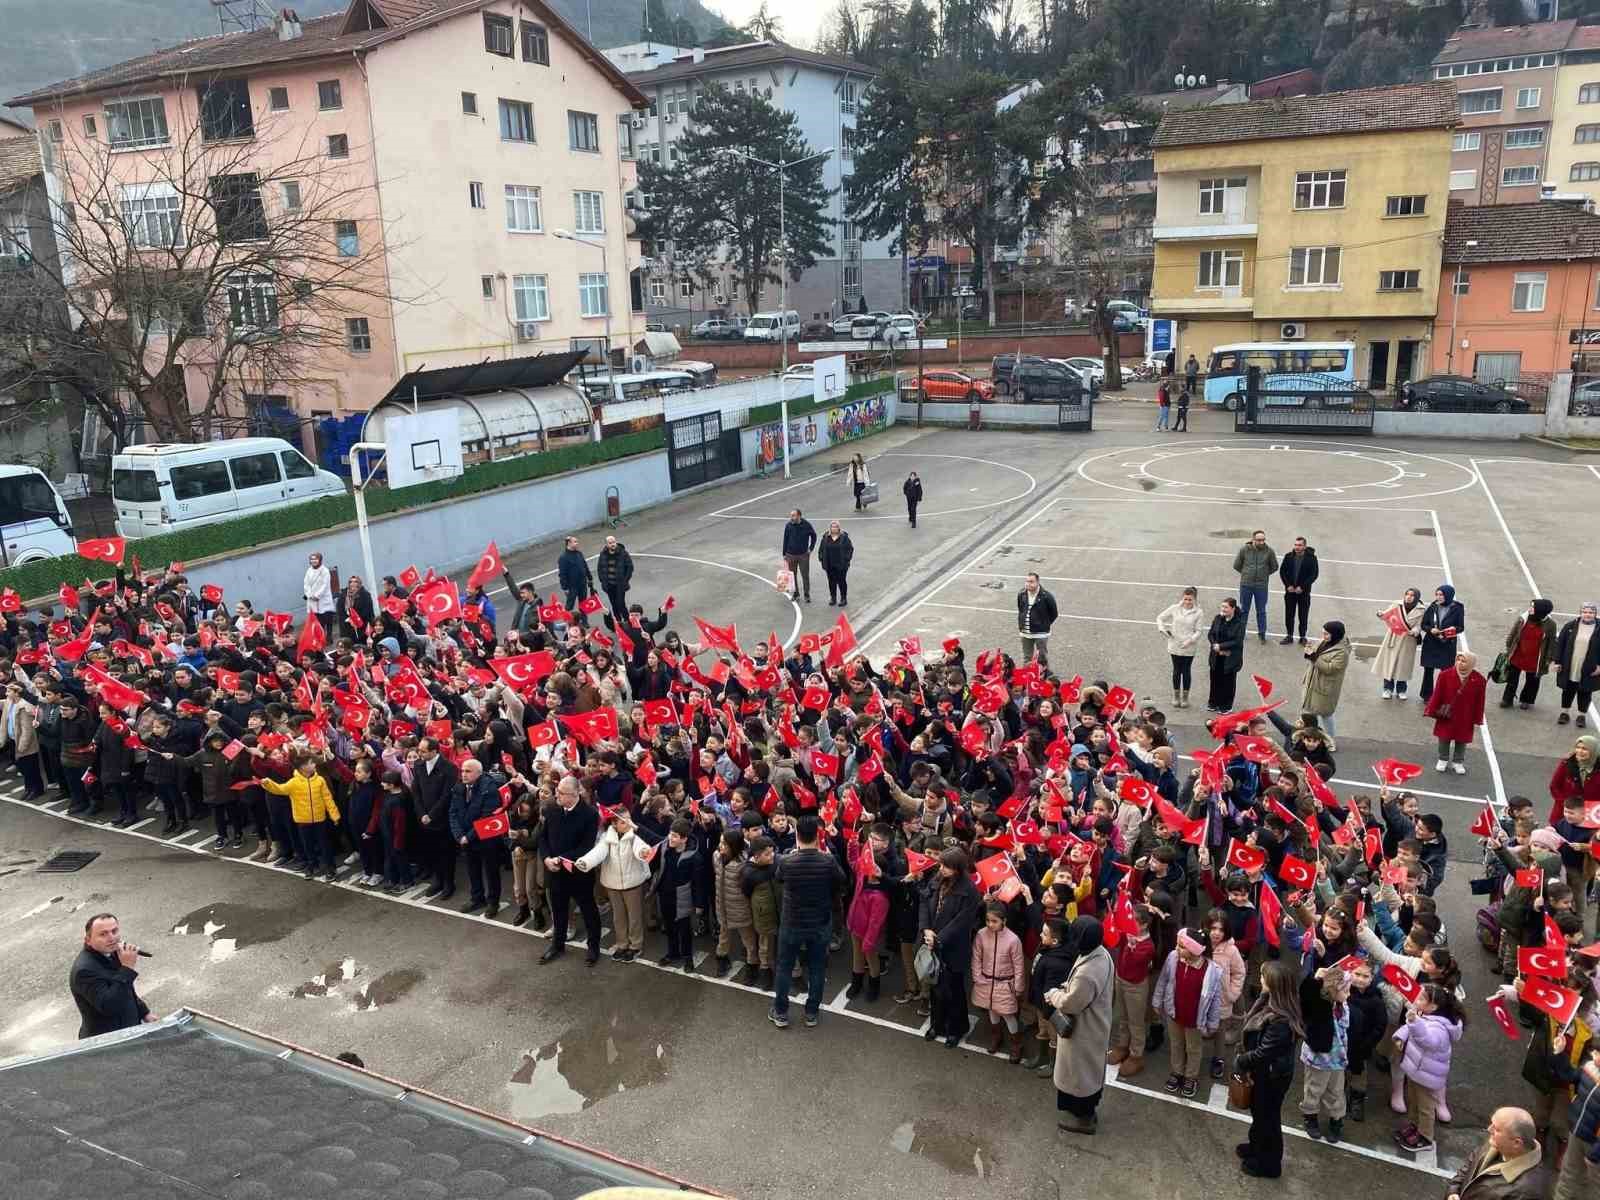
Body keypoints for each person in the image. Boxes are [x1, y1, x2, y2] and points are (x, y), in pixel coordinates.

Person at [769, 814, 847, 1029]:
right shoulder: (827, 860)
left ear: (798, 837)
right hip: (820, 922)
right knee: (817, 968)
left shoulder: (787, 861)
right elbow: (842, 880)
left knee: (784, 967)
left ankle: (781, 1011)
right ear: (817, 836)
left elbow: (778, 878)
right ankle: (811, 1012)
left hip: (792, 922)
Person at [1235, 960, 1304, 1178]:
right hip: (1263, 1073)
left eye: (1264, 977)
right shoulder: (1269, 1002)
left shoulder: (1281, 1022)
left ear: (1274, 985)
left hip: (1272, 1077)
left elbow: (1264, 1053)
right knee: (1259, 1113)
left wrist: (1242, 1061)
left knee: (1268, 1119)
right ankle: (1256, 1147)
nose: (1260, 979)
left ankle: (1269, 1163)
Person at [1047, 915, 1114, 1135]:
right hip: (1096, 1026)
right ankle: (1085, 1113)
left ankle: (1085, 1119)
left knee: (1080, 1076)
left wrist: (1055, 995)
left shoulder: (1087, 973)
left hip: (1083, 1031)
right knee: (1087, 1072)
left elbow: (1071, 1004)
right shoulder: (1101, 953)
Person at [1392, 982, 1465, 1153]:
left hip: (1427, 1076)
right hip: (1417, 1071)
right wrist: (1401, 1035)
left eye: (1422, 998)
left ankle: (1425, 1137)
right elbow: (1409, 1029)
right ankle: (1414, 1127)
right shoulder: (1424, 1014)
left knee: (1425, 1107)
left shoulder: (1439, 1027)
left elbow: (1428, 1041)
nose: (1417, 999)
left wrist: (1414, 1022)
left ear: (1433, 1006)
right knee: (1414, 1101)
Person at [1151, 928, 1223, 1099]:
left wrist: (1213, 1023)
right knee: (1176, 1044)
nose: (1177, 948)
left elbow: (1215, 1000)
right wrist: (1157, 1000)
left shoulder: (1211, 971)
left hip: (1194, 1019)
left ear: (1194, 950)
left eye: (1181, 946)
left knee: (1193, 1049)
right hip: (1174, 1013)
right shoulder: (1173, 958)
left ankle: (1191, 1076)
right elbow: (1163, 980)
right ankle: (1177, 1071)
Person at [920, 847, 981, 1048]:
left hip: (953, 948)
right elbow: (924, 901)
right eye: (941, 864)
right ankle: (936, 1025)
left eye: (946, 866)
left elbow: (962, 922)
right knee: (936, 988)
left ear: (957, 868)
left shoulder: (969, 891)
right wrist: (926, 929)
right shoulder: (937, 879)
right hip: (933, 942)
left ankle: (956, 1029)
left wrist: (937, 938)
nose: (941, 868)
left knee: (954, 991)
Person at [540, 774, 603, 965]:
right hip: (555, 872)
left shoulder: (590, 814)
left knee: (588, 911)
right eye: (557, 791)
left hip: (578, 874)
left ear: (575, 794)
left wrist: (561, 859)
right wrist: (546, 858)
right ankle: (557, 945)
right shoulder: (552, 809)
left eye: (561, 793)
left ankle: (593, 948)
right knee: (558, 911)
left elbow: (586, 846)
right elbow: (543, 838)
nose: (557, 796)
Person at [71, 912, 154, 1038]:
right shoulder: (84, 971)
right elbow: (110, 1006)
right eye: (103, 934)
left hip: (128, 1030)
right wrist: (127, 968)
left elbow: (126, 989)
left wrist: (144, 1013)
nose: (112, 938)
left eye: (114, 931)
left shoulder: (111, 952)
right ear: (88, 940)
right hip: (108, 1041)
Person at [1445, 1107, 1548, 1200]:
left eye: (1497, 1129)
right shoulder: (1495, 1143)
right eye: (1492, 1124)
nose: (1489, 1129)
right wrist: (1453, 1191)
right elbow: (1467, 1169)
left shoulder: (1527, 1193)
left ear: (1516, 1143)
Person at [971, 899, 1027, 1061]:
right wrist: (977, 976)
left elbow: (1018, 965)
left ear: (1004, 921)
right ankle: (996, 1036)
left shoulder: (1013, 940)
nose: (990, 924)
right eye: (988, 920)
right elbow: (976, 958)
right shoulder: (981, 935)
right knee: (992, 1010)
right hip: (986, 981)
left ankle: (1016, 1044)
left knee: (1008, 1015)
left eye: (994, 921)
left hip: (1005, 984)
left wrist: (1018, 987)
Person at [449, 757, 505, 917]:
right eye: (462, 771)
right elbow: (452, 812)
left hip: (486, 838)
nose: (464, 774)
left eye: (468, 771)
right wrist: (459, 835)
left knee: (491, 871)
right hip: (466, 837)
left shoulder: (489, 788)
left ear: (478, 773)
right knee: (472, 869)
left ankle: (493, 902)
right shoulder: (459, 787)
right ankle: (477, 898)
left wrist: (468, 836)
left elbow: (486, 817)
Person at [1426, 651, 1487, 776]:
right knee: (1444, 737)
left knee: (1462, 739)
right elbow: (1437, 694)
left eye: (1463, 661)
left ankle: (1458, 761)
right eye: (1458, 660)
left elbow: (1480, 701)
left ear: (1470, 663)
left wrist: (1478, 718)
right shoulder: (1445, 675)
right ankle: (1442, 759)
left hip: (1466, 715)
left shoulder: (1479, 680)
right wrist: (1431, 709)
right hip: (1447, 713)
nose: (1460, 663)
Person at [1499, 599, 1558, 710]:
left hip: (1536, 658)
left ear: (1540, 610)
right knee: (1512, 678)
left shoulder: (1551, 625)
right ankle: (1507, 699)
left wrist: (1550, 659)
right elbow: (1514, 632)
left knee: (1532, 681)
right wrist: (1508, 646)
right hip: (1518, 654)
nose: (1530, 609)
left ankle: (1526, 700)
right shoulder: (1523, 618)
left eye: (1532, 607)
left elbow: (1552, 642)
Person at [1300, 621, 1351, 738]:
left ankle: (1330, 740)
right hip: (1313, 683)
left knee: (1326, 715)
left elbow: (1329, 669)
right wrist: (1309, 650)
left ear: (1335, 635)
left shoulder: (1342, 652)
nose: (1323, 636)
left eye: (1327, 634)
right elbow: (1316, 655)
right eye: (1323, 633)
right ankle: (1310, 737)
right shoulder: (1326, 641)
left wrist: (1313, 656)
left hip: (1325, 687)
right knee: (1309, 712)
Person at [1156, 587, 1204, 709]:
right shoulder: (1174, 608)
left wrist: (1190, 641)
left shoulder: (1198, 612)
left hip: (1189, 646)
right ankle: (1176, 695)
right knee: (1177, 670)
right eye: (1185, 599)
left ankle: (1185, 697)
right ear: (1182, 598)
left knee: (1186, 671)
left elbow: (1199, 631)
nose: (1187, 602)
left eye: (1190, 599)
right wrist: (1162, 629)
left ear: (1195, 599)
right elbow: (1160, 618)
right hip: (1175, 644)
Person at [1554, 602, 1600, 726]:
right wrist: (1557, 662)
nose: (1588, 614)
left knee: (1585, 691)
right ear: (1581, 613)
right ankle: (1564, 713)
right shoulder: (1570, 626)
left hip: (1589, 667)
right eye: (1585, 612)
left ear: (1595, 614)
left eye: (1591, 612)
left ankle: (1581, 716)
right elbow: (1560, 644)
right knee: (1568, 690)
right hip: (1570, 665)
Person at [1374, 587, 1424, 700]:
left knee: (1403, 665)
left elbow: (1420, 625)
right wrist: (1380, 614)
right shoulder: (1397, 605)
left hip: (1408, 639)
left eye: (1412, 595)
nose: (1409, 597)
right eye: (1407, 594)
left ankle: (1401, 690)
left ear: (1416, 597)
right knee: (1389, 664)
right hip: (1393, 637)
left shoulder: (1421, 610)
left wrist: (1416, 631)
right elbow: (1386, 615)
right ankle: (1387, 689)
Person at [1418, 584, 1465, 703]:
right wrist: (1430, 630)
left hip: (1447, 644)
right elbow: (1424, 624)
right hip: (1431, 643)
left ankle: (1443, 695)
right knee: (1428, 670)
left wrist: (1450, 631)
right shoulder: (1433, 606)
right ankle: (1427, 696)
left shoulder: (1457, 608)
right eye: (1437, 594)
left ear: (1448, 595)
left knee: (1445, 672)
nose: (1438, 597)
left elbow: (1460, 627)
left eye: (1441, 595)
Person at [1231, 531, 1277, 643]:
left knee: (1261, 610)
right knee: (1244, 610)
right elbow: (1237, 565)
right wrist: (1247, 573)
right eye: (1259, 540)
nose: (1261, 542)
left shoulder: (1269, 551)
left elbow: (1274, 566)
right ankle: (1241, 632)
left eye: (1263, 540)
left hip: (1261, 586)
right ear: (1253, 540)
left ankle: (1262, 634)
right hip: (1246, 585)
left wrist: (1264, 575)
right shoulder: (1244, 550)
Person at [0, 681, 43, 800]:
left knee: (30, 768)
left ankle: (36, 789)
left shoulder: (25, 707)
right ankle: (28, 788)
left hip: (26, 744)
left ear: (17, 693)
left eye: (9, 691)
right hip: (15, 740)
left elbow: (27, 730)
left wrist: (22, 747)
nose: (6, 693)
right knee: (23, 768)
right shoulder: (9, 702)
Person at [1206, 597, 1247, 713]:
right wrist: (1215, 645)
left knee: (1228, 682)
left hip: (1230, 658)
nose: (1223, 609)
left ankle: (1226, 706)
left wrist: (1221, 647)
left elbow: (1237, 641)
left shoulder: (1239, 623)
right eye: (1222, 607)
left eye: (1226, 607)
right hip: (1216, 656)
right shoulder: (1218, 618)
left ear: (1233, 608)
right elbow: (1211, 634)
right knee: (1215, 679)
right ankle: (1213, 702)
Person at [1278, 536, 1319, 646]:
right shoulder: (1288, 557)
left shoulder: (1311, 558)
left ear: (1304, 546)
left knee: (1303, 615)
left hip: (1304, 593)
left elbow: (1314, 575)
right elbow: (1283, 572)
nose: (1297, 547)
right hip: (1290, 592)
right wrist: (1288, 585)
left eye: (1300, 545)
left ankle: (1302, 637)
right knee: (1289, 615)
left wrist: (1302, 587)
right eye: (1296, 545)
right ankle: (1289, 636)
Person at [1016, 572, 1059, 667]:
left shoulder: (1047, 596)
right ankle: (1027, 678)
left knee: (1042, 658)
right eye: (1027, 581)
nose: (1028, 584)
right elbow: (1021, 609)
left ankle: (1044, 677)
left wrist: (1044, 624)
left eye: (1031, 581)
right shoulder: (1021, 594)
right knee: (1027, 658)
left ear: (1037, 582)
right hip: (1025, 633)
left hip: (1041, 633)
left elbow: (1054, 613)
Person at [557, 536, 596, 626]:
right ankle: (568, 622)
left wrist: (589, 577)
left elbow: (585, 566)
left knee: (583, 604)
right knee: (569, 605)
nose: (577, 543)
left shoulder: (579, 553)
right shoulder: (563, 557)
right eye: (575, 542)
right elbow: (562, 574)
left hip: (582, 584)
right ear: (569, 543)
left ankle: (584, 621)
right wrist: (565, 587)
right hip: (572, 586)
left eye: (577, 542)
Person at [781, 509, 817, 604]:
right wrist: (784, 554)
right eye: (791, 515)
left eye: (793, 515)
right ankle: (796, 594)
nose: (791, 517)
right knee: (793, 576)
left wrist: (811, 548)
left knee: (805, 575)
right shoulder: (788, 525)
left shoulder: (806, 525)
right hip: (790, 554)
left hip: (803, 555)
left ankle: (806, 595)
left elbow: (814, 536)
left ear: (799, 516)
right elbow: (785, 539)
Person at [818, 520, 854, 608]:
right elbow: (821, 549)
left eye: (836, 527)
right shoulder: (826, 537)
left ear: (839, 528)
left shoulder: (844, 537)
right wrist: (821, 558)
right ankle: (833, 598)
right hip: (829, 564)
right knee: (831, 582)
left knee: (841, 581)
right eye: (832, 527)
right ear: (830, 528)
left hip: (841, 565)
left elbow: (850, 549)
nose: (834, 528)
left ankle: (843, 598)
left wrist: (846, 559)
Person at [596, 534, 633, 618]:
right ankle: (618, 622)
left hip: (620, 584)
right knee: (614, 605)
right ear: (606, 544)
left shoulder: (623, 553)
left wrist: (625, 580)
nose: (612, 544)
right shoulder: (603, 554)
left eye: (614, 542)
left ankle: (627, 621)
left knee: (621, 604)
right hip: (609, 585)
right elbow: (599, 568)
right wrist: (602, 580)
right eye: (610, 543)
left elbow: (630, 567)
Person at [303, 551, 336, 637]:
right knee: (317, 621)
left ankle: (329, 637)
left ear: (320, 560)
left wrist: (317, 595)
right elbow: (306, 584)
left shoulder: (325, 571)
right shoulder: (309, 571)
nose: (313, 561)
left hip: (323, 599)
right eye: (312, 559)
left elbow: (325, 585)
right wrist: (310, 595)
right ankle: (320, 637)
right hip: (312, 600)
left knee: (327, 619)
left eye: (315, 559)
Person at [335, 574, 374, 641]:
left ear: (359, 583)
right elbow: (340, 610)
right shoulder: (343, 595)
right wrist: (347, 619)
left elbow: (368, 611)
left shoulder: (365, 595)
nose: (353, 583)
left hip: (361, 624)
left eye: (355, 581)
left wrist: (356, 619)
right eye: (351, 582)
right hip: (347, 626)